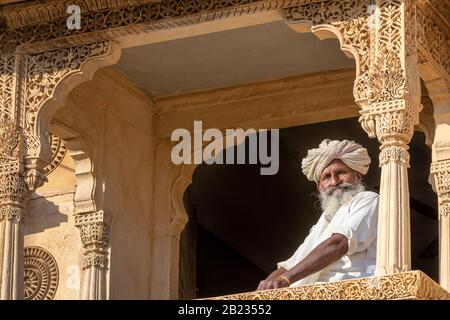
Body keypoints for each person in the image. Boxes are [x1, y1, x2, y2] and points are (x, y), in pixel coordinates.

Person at [257, 139, 378, 290]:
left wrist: (285, 280)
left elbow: (338, 244)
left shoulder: (367, 199)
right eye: (327, 177)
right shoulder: (325, 220)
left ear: (358, 175)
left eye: (340, 172)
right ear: (319, 186)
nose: (334, 182)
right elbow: (291, 265)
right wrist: (257, 295)